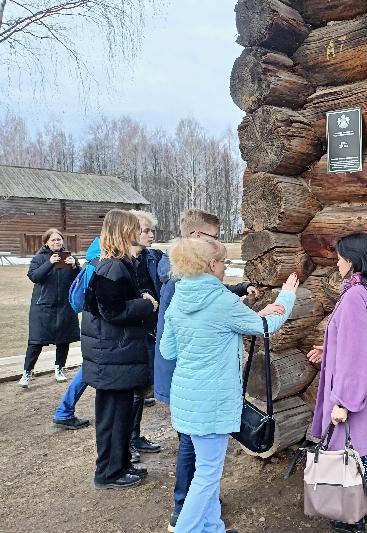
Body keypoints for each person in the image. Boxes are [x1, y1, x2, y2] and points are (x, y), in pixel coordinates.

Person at [160, 238, 298, 533]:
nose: (226, 266)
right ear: (210, 266)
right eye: (224, 261)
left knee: (204, 469)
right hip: (213, 401)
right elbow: (267, 328)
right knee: (208, 473)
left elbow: (168, 351)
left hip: (187, 398)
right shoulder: (222, 302)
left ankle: (212, 528)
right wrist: (286, 297)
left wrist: (246, 319)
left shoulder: (178, 298)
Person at [154, 208, 257, 531]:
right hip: (196, 385)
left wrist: (237, 293)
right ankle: (183, 513)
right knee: (197, 459)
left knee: (200, 458)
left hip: (189, 383)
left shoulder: (184, 279)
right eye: (214, 238)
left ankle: (207, 523)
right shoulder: (177, 285)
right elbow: (183, 335)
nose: (219, 245)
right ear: (198, 238)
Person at [307, 232, 367, 533]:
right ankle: (351, 523)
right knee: (364, 467)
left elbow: (357, 356)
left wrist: (344, 402)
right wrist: (328, 349)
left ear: (354, 260)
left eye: (341, 256)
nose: (337, 261)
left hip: (356, 395)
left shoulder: (355, 297)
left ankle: (359, 525)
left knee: (359, 471)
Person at [82, 209, 158, 489]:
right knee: (112, 418)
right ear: (122, 232)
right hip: (112, 357)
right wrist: (145, 304)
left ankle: (121, 464)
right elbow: (111, 311)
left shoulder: (118, 264)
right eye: (134, 228)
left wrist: (139, 297)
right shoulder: (112, 267)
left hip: (116, 355)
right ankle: (108, 473)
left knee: (121, 414)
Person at [19, 228, 81, 388]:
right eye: (53, 240)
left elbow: (79, 280)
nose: (56, 242)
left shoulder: (69, 258)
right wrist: (49, 263)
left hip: (65, 306)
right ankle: (27, 372)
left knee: (63, 340)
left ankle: (59, 369)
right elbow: (34, 277)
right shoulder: (39, 259)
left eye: (59, 239)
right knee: (36, 341)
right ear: (46, 242)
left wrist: (75, 266)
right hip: (43, 307)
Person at [52, 236, 101, 430]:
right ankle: (64, 411)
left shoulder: (92, 260)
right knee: (87, 369)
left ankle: (64, 411)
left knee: (88, 368)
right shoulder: (100, 262)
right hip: (97, 327)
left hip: (91, 325)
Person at [127, 210, 164, 462]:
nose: (151, 235)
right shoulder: (119, 262)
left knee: (141, 389)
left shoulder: (155, 257)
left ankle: (135, 436)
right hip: (130, 335)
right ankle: (126, 441)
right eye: (145, 230)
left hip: (151, 332)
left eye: (152, 230)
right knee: (130, 391)